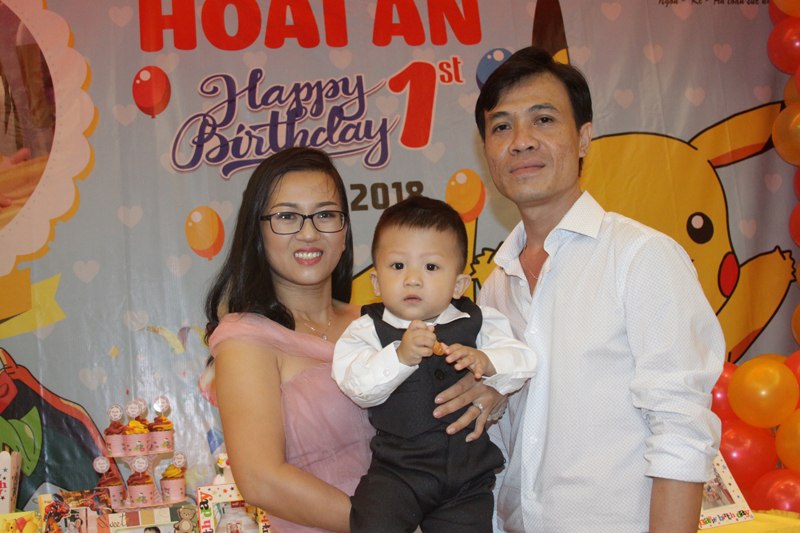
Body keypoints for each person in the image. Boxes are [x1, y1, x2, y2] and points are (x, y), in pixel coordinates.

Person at [473, 46, 725, 533]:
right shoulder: (495, 287)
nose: (521, 142)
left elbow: (681, 429)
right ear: (487, 151)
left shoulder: (642, 257)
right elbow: (499, 441)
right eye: (501, 127)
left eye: (543, 120)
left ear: (584, 138)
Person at [205, 147, 501, 533]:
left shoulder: (380, 321)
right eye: (287, 216)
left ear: (344, 231)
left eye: (325, 215)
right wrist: (386, 523)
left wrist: (489, 392)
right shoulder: (246, 339)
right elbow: (262, 480)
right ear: (257, 232)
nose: (309, 232)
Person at [333, 195, 537, 533]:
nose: (412, 279)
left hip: (466, 478)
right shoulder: (366, 330)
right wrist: (400, 357)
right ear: (376, 282)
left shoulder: (478, 320)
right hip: (398, 474)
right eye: (398, 266)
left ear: (458, 284)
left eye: (430, 267)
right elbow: (357, 386)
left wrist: (487, 361)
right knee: (371, 521)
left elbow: (524, 359)